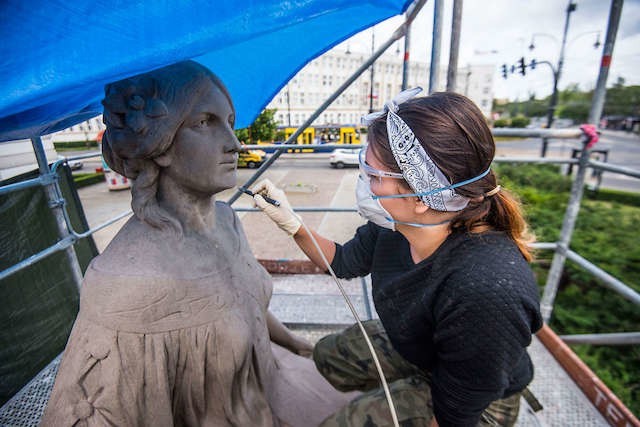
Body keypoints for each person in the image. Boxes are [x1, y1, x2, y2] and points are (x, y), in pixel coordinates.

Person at [41, 61, 354, 427]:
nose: (234, 143)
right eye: (205, 122)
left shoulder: (228, 221)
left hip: (274, 380)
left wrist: (300, 346)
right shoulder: (127, 279)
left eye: (230, 122)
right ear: (158, 144)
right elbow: (86, 410)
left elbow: (244, 304)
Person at [251, 89, 543, 427]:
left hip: (478, 406)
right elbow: (344, 261)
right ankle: (400, 385)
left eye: (375, 177)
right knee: (328, 356)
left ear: (422, 195)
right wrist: (293, 224)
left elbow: (457, 414)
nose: (366, 186)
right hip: (423, 348)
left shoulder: (486, 288)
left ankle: (403, 395)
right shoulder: (395, 226)